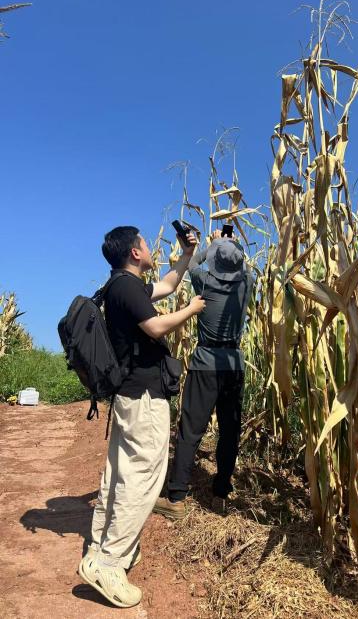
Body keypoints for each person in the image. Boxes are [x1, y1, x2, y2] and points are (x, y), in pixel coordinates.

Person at [78, 225, 205, 608]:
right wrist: (192, 309)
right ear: (135, 252)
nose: (150, 248)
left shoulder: (122, 286)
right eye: (146, 244)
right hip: (144, 396)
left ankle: (101, 547)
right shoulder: (127, 288)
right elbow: (155, 326)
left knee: (119, 474)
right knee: (143, 478)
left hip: (130, 396)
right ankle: (109, 563)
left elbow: (166, 284)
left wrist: (186, 255)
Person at [153, 228, 254, 519]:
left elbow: (193, 262)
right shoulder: (247, 283)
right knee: (229, 432)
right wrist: (228, 244)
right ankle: (220, 493)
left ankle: (176, 498)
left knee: (190, 431)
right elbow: (243, 265)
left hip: (205, 363)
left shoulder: (204, 280)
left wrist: (214, 244)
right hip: (233, 366)